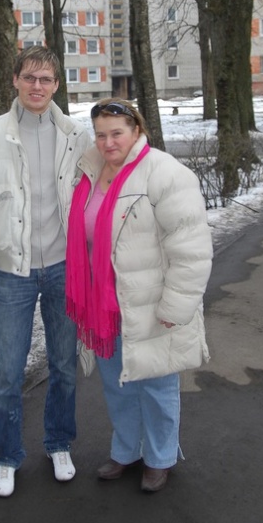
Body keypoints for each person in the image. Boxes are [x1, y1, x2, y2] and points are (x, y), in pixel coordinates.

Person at [0, 46, 91, 497]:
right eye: (30, 77)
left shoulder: (76, 135)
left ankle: (58, 443)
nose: (38, 86)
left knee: (64, 366)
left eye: (47, 79)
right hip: (12, 273)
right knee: (8, 374)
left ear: (57, 84)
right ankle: (7, 455)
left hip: (63, 269)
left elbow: (96, 198)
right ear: (15, 80)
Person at [66, 98, 213, 492]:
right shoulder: (90, 171)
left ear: (137, 131)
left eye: (117, 133)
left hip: (149, 301)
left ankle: (160, 457)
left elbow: (191, 248)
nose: (108, 142)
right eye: (100, 134)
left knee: (156, 384)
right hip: (105, 304)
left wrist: (176, 305)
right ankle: (127, 449)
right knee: (116, 383)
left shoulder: (164, 173)